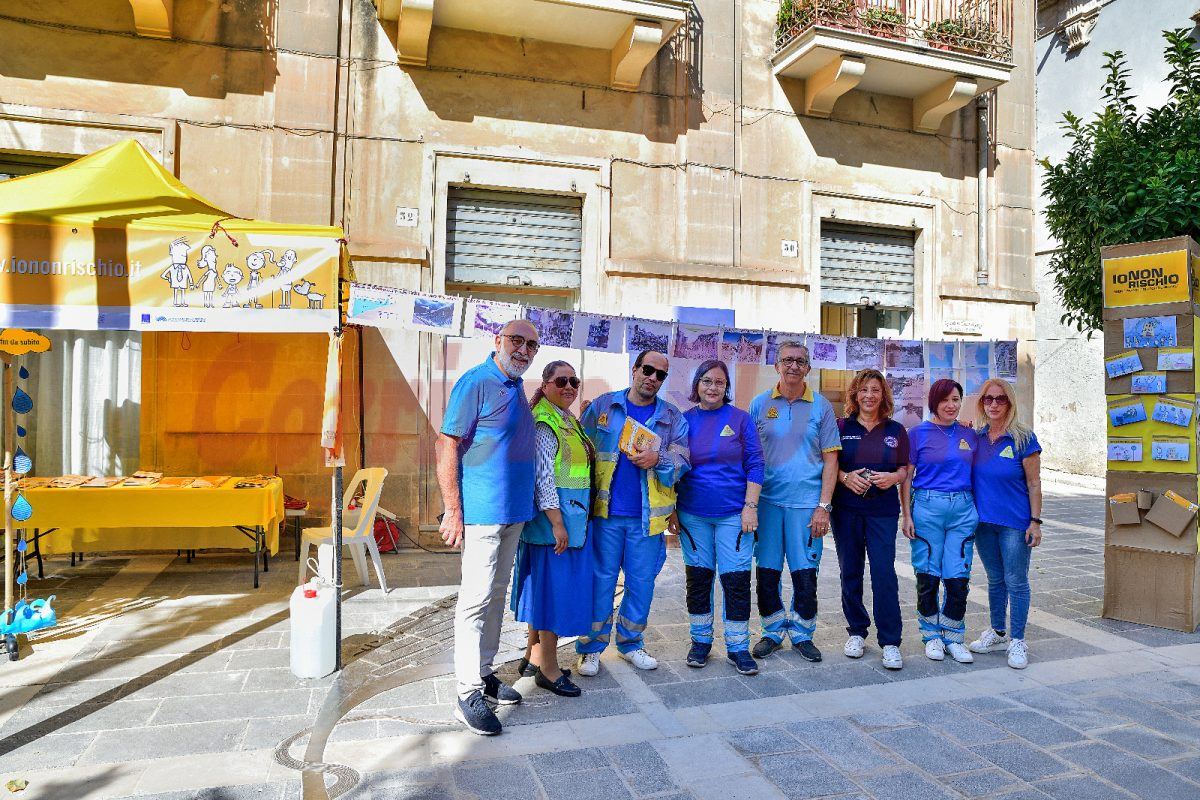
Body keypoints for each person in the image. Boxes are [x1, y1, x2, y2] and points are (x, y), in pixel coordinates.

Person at [436, 319, 539, 736]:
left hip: (513, 512)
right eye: (517, 340)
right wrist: (452, 509)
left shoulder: (515, 389)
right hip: (481, 513)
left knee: (497, 597)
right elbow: (447, 443)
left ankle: (483, 672)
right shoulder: (476, 380)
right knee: (475, 600)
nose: (524, 349)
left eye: (532, 344)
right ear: (497, 341)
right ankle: (466, 693)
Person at [576, 350, 690, 675]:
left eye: (660, 375)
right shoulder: (603, 406)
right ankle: (590, 648)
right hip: (605, 516)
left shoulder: (672, 417)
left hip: (647, 519)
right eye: (648, 370)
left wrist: (660, 459)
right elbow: (582, 451)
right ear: (635, 369)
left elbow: (683, 461)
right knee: (601, 582)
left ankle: (630, 644)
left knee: (642, 584)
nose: (653, 378)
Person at [669, 359, 764, 676]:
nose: (713, 387)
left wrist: (750, 506)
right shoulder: (683, 421)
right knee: (698, 580)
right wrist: (671, 510)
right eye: (707, 381)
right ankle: (700, 642)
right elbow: (673, 467)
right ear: (697, 385)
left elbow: (755, 464)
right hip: (692, 515)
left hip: (734, 516)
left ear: (727, 387)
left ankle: (738, 647)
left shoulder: (739, 419)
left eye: (719, 383)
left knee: (736, 581)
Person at [749, 341, 840, 663]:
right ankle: (772, 631)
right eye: (787, 360)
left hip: (807, 505)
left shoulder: (821, 407)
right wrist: (750, 505)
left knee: (805, 573)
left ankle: (803, 632)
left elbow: (831, 461)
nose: (793, 366)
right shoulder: (759, 405)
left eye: (800, 361)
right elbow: (750, 457)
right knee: (768, 572)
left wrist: (823, 506)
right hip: (769, 504)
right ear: (776, 365)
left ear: (808, 368)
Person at [510, 360, 593, 698]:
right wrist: (557, 523)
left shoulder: (564, 418)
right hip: (555, 525)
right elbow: (543, 477)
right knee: (553, 597)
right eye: (562, 381)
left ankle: (533, 656)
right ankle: (549, 668)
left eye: (574, 380)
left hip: (565, 519)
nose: (569, 386)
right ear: (545, 384)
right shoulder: (545, 422)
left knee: (544, 592)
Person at [832, 368, 909, 671]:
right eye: (863, 390)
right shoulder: (840, 427)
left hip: (882, 512)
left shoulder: (895, 430)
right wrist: (844, 477)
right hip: (846, 509)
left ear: (883, 395)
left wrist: (893, 476)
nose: (869, 396)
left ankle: (890, 641)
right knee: (850, 571)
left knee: (883, 574)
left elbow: (905, 469)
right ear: (855, 394)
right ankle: (856, 631)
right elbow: (829, 465)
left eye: (875, 390)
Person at [903, 378, 978, 665]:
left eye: (956, 399)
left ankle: (953, 634)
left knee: (958, 576)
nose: (951, 405)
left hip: (962, 509)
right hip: (927, 508)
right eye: (945, 400)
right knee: (928, 575)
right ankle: (931, 635)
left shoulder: (970, 435)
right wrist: (907, 515)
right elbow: (907, 477)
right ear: (934, 402)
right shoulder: (917, 433)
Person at [969, 378, 1043, 669]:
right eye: (988, 399)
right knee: (995, 579)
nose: (994, 404)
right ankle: (998, 632)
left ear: (1010, 403)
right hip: (983, 524)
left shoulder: (1024, 438)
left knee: (1016, 581)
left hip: (1015, 523)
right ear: (982, 403)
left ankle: (1018, 640)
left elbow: (1034, 483)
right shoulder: (976, 437)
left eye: (1000, 399)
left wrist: (1035, 522)